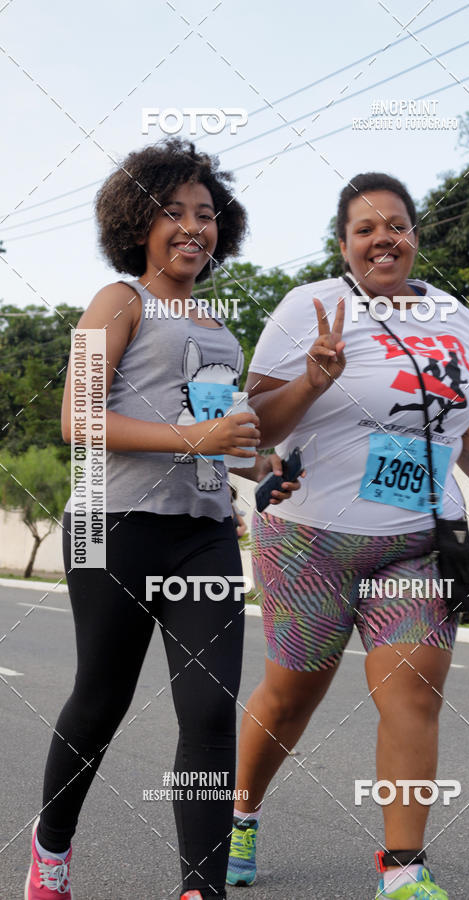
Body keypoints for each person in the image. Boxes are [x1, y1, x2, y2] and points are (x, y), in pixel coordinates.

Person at [25, 138, 299, 900]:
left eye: (206, 214)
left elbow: (218, 437)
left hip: (204, 533)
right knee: (99, 702)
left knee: (210, 712)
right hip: (111, 527)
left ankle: (199, 889)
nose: (192, 227)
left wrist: (263, 466)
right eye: (172, 211)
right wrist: (195, 438)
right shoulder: (119, 301)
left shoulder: (218, 328)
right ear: (137, 223)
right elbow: (76, 418)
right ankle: (51, 851)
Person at [226, 173, 469, 899]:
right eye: (366, 229)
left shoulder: (457, 318)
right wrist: (312, 381)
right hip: (310, 538)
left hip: (415, 538)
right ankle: (240, 815)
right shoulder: (309, 308)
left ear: (414, 235)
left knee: (413, 695)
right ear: (344, 244)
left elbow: (466, 415)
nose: (384, 239)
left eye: (397, 225)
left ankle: (403, 870)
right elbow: (256, 430)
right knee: (290, 697)